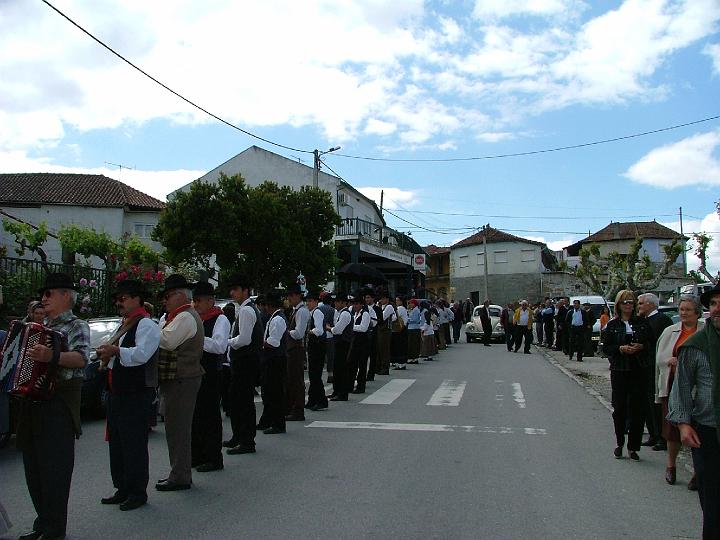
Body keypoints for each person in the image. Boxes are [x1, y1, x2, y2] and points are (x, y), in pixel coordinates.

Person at [18, 273, 90, 540]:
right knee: (33, 468)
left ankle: (54, 529)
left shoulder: (76, 325)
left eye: (49, 294)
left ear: (65, 296)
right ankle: (43, 523)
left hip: (58, 402)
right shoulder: (34, 326)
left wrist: (52, 356)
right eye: (42, 295)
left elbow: (82, 359)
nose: (44, 299)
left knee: (55, 470)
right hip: (32, 401)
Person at [96, 279, 159, 511]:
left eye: (122, 298)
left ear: (136, 299)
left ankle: (137, 491)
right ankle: (122, 487)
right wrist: (107, 353)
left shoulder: (146, 325)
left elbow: (142, 355)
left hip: (135, 392)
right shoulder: (125, 323)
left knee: (133, 444)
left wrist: (116, 351)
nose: (118, 302)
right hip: (118, 391)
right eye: (117, 299)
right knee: (118, 442)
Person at [668, 283, 720, 538]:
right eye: (713, 303)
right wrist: (683, 423)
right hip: (709, 432)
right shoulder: (697, 345)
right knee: (713, 502)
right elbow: (682, 386)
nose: (717, 309)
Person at [155, 274, 204, 492]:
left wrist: (152, 329)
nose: (164, 301)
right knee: (177, 428)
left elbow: (167, 340)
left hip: (182, 378)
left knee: (178, 429)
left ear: (180, 296)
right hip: (182, 378)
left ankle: (180, 475)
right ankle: (179, 472)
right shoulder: (181, 316)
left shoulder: (184, 317)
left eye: (167, 296)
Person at [656, 295, 704, 486]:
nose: (683, 313)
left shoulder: (705, 331)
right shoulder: (670, 331)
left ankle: (698, 472)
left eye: (688, 310)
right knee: (672, 429)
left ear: (697, 313)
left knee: (698, 430)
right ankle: (671, 465)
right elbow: (659, 359)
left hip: (698, 388)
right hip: (673, 384)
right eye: (681, 309)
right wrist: (670, 361)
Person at [602, 290, 651, 461]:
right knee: (620, 408)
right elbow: (605, 348)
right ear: (619, 305)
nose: (628, 305)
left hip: (638, 370)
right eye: (625, 302)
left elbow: (651, 343)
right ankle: (620, 442)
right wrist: (620, 349)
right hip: (620, 370)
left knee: (637, 409)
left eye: (631, 302)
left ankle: (633, 446)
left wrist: (641, 347)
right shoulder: (613, 325)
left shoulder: (642, 323)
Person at [190, 282, 229, 470]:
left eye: (199, 301)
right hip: (194, 371)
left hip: (211, 372)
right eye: (194, 301)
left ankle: (213, 457)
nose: (195, 305)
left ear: (210, 301)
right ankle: (197, 455)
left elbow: (220, 346)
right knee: (195, 415)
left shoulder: (220, 319)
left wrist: (198, 339)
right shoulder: (197, 319)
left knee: (210, 415)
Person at [225, 274, 263, 453]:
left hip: (246, 360)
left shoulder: (247, 310)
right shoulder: (245, 309)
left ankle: (247, 440)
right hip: (243, 360)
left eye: (236, 289)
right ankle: (238, 436)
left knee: (243, 401)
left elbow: (244, 339)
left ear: (245, 291)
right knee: (237, 399)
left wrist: (228, 341)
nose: (232, 293)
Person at [637, 292, 673, 450]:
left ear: (651, 304)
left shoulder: (661, 320)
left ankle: (662, 436)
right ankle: (653, 433)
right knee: (646, 402)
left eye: (641, 303)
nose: (639, 306)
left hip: (655, 367)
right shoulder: (644, 320)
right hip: (643, 367)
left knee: (657, 403)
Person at [259, 292, 288, 434]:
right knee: (269, 391)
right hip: (273, 358)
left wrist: (260, 343)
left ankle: (278, 423)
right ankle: (269, 420)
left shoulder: (277, 319)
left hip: (275, 358)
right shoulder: (274, 318)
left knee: (275, 392)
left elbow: (274, 342)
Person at [285, 284, 309, 421]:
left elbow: (299, 333)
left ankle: (298, 410)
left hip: (297, 348)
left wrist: (287, 332)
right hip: (292, 348)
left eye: (292, 296)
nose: (290, 298)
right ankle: (292, 407)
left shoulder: (302, 311)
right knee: (292, 379)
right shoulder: (296, 310)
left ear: (298, 296)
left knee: (296, 380)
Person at [305, 290, 329, 411]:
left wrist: (309, 331)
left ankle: (321, 400)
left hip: (317, 345)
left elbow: (319, 330)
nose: (308, 303)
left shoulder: (317, 313)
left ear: (315, 301)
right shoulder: (312, 313)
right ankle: (312, 399)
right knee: (312, 374)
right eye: (307, 301)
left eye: (310, 301)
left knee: (315, 374)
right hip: (313, 346)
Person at [328, 293, 352, 401]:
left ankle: (342, 393)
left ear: (343, 303)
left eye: (337, 302)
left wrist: (329, 328)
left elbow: (338, 330)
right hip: (339, 343)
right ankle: (336, 391)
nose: (335, 304)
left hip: (343, 343)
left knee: (341, 368)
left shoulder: (345, 314)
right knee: (337, 368)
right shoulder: (340, 313)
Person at [349, 291, 371, 393]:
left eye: (357, 304)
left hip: (363, 342)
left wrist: (350, 327)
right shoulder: (353, 314)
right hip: (354, 341)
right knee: (352, 364)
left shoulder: (365, 314)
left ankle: (361, 386)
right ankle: (350, 384)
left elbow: (363, 328)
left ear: (361, 304)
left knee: (362, 365)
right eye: (354, 304)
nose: (355, 306)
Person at [220, 302, 235, 416]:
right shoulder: (234, 324)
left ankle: (227, 406)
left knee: (225, 386)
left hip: (224, 359)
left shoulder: (223, 324)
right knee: (229, 385)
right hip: (230, 359)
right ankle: (230, 406)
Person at [317, 292, 336, 384]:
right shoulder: (333, 310)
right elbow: (335, 323)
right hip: (330, 335)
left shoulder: (319, 309)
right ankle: (330, 375)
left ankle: (318, 375)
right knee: (330, 356)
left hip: (320, 336)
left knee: (320, 356)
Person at [376, 290, 394, 375]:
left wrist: (378, 308)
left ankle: (385, 367)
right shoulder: (382, 306)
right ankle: (379, 366)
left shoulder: (389, 307)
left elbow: (382, 317)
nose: (381, 300)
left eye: (383, 299)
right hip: (380, 329)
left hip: (386, 330)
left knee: (385, 349)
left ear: (387, 299)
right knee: (379, 349)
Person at [365, 289, 380, 382]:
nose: (367, 299)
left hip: (374, 333)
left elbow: (380, 321)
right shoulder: (363, 308)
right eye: (366, 298)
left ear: (373, 298)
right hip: (365, 334)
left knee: (373, 354)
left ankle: (371, 374)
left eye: (368, 297)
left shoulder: (377, 309)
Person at [391, 296, 409, 370]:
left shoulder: (400, 308)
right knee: (400, 347)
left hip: (399, 330)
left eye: (398, 300)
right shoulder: (403, 308)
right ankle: (400, 363)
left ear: (401, 301)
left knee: (399, 347)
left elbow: (394, 318)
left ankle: (400, 364)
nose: (396, 302)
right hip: (402, 329)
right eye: (396, 300)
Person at [406, 299, 422, 364]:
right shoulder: (413, 310)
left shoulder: (416, 310)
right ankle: (414, 358)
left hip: (413, 328)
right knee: (413, 344)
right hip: (413, 328)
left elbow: (414, 319)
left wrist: (407, 319)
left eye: (411, 303)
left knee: (413, 344)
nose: (410, 304)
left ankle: (413, 358)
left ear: (414, 304)